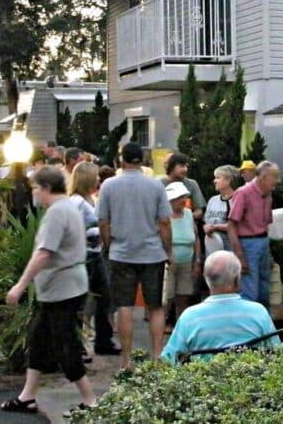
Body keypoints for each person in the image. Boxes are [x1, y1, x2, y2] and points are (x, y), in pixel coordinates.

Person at [1, 166, 95, 414]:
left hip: (62, 288)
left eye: (35, 189)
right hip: (63, 286)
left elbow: (44, 253)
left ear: (45, 189)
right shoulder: (69, 208)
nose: (34, 194)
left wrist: (21, 285)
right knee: (39, 339)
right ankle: (28, 395)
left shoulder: (57, 213)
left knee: (65, 344)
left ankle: (90, 400)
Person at [96, 142, 172, 370]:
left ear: (122, 160)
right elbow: (165, 221)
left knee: (124, 306)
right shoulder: (156, 186)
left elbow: (103, 221)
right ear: (143, 160)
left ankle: (126, 360)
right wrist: (167, 250)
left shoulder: (109, 185)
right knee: (155, 306)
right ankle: (157, 355)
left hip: (121, 252)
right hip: (152, 253)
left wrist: (109, 245)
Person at [161, 251, 280, 363]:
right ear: (237, 280)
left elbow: (169, 359)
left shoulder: (189, 317)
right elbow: (278, 353)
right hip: (249, 381)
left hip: (204, 383)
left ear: (206, 280)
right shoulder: (258, 312)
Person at [68, 161, 121, 357]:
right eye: (96, 176)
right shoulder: (77, 202)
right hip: (84, 256)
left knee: (104, 296)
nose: (99, 179)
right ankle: (76, 344)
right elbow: (73, 228)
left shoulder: (91, 200)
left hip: (95, 254)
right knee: (80, 301)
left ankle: (102, 340)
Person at [226, 161, 280, 307]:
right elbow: (231, 226)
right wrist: (239, 256)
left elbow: (266, 225)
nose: (277, 180)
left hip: (263, 242)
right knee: (250, 293)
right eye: (274, 177)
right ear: (263, 178)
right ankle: (249, 328)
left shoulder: (268, 195)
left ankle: (265, 327)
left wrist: (268, 252)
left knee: (265, 292)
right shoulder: (243, 193)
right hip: (247, 244)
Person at [165, 181, 202, 320]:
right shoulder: (164, 215)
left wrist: (197, 261)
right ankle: (164, 325)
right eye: (180, 198)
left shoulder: (188, 214)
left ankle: (181, 324)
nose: (183, 201)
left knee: (183, 296)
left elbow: (196, 238)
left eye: (184, 198)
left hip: (187, 261)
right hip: (168, 262)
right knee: (167, 297)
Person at [203, 165, 238, 258]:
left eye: (218, 178)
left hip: (231, 254)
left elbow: (238, 226)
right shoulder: (212, 200)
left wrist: (215, 227)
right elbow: (207, 221)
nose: (214, 181)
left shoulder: (238, 200)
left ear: (228, 180)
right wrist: (206, 227)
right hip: (212, 252)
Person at [160, 152, 206, 222]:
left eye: (186, 166)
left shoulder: (192, 184)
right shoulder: (158, 184)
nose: (185, 169)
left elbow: (199, 211)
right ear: (171, 166)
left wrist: (184, 217)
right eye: (181, 166)